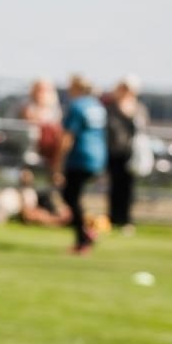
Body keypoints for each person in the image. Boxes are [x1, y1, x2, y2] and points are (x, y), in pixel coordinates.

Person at [56, 75, 107, 254]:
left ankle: (84, 237)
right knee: (73, 196)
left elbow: (68, 136)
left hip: (80, 157)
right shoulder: (97, 106)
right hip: (98, 156)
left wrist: (58, 163)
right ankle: (86, 232)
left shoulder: (77, 106)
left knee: (70, 195)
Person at [103, 75, 147, 232]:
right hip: (114, 151)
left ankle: (126, 219)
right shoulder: (111, 107)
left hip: (131, 153)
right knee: (114, 186)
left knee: (128, 188)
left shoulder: (138, 108)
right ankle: (113, 217)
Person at [21, 79, 63, 168]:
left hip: (50, 143)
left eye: (46, 90)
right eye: (41, 90)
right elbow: (29, 121)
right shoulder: (28, 106)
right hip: (33, 142)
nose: (43, 93)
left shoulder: (55, 109)